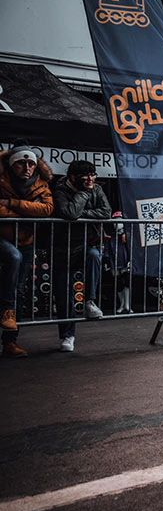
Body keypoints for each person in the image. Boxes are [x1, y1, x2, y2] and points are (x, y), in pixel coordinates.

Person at [0, 140, 54, 358]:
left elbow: (47, 209)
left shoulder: (40, 183)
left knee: (20, 289)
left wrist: (12, 204)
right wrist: (27, 214)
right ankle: (6, 314)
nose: (27, 168)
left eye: (30, 164)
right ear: (13, 165)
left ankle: (10, 342)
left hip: (25, 240)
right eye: (22, 164)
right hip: (3, 237)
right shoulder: (2, 178)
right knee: (13, 258)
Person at [52, 159, 112, 352]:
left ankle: (89, 302)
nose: (90, 178)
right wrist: (84, 194)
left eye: (93, 174)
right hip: (62, 248)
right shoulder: (61, 189)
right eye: (86, 175)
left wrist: (83, 213)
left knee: (94, 256)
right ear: (72, 177)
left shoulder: (96, 188)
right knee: (63, 296)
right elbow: (69, 212)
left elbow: (106, 212)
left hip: (86, 244)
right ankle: (68, 336)